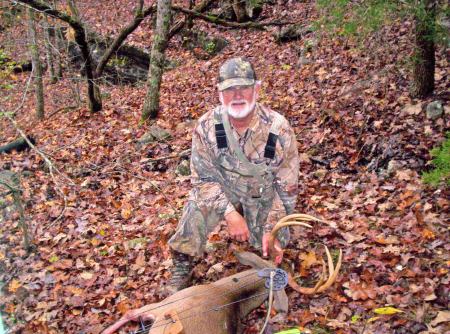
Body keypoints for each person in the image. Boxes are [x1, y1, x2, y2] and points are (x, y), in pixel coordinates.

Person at [166, 57, 299, 294]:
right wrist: (229, 214)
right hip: (223, 194)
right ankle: (182, 266)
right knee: (197, 204)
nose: (237, 95)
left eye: (244, 88)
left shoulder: (278, 127)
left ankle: (266, 239)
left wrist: (272, 228)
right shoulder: (206, 126)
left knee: (271, 249)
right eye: (229, 89)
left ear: (256, 89)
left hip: (262, 198)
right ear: (220, 93)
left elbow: (286, 189)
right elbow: (202, 180)